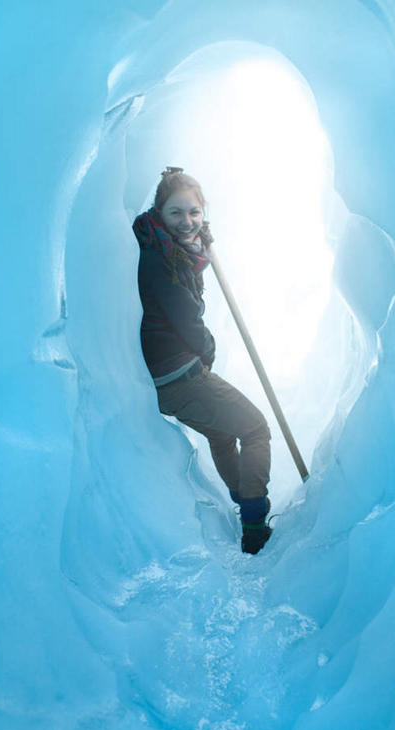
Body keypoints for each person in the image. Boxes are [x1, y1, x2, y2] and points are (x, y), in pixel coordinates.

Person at [132, 167, 272, 554]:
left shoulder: (169, 248)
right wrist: (207, 350)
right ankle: (255, 520)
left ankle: (245, 500)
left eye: (194, 212)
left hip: (169, 373)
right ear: (159, 212)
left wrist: (197, 246)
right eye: (176, 212)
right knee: (256, 428)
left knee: (222, 433)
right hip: (179, 373)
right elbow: (186, 318)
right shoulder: (161, 259)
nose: (186, 221)